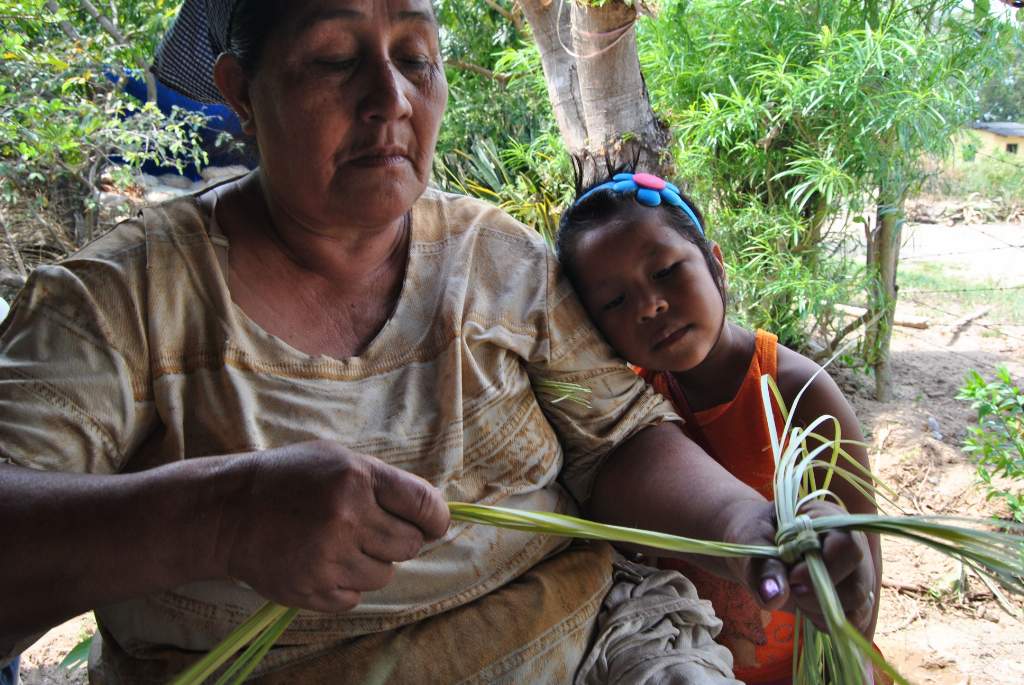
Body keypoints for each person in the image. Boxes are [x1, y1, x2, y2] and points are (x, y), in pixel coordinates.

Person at [0, 2, 875, 682]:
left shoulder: (495, 255)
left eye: (416, 58)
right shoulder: (118, 301)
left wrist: (753, 525)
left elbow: (623, 442)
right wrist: (220, 519)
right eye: (336, 59)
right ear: (239, 90)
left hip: (602, 649)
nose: (391, 99)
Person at [555, 170, 883, 684]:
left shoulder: (797, 391)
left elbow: (862, 565)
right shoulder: (622, 410)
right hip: (693, 662)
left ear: (716, 264)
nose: (650, 305)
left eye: (665, 271)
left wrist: (849, 658)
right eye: (615, 302)